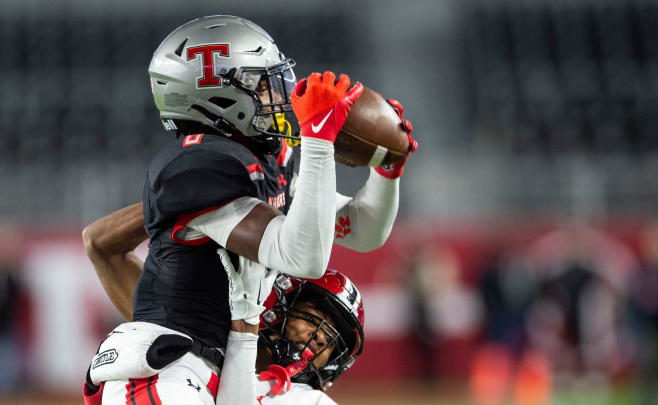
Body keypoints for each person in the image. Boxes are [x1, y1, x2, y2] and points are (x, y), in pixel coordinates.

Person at [87, 14, 415, 405]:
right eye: (262, 84)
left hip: (232, 368)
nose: (279, 94)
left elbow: (363, 231)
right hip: (169, 370)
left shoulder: (271, 158)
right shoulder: (200, 163)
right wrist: (319, 139)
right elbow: (301, 256)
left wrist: (385, 169)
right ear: (218, 95)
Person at [82, 203, 364, 405]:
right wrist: (184, 202)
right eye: (316, 318)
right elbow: (100, 244)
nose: (320, 338)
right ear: (281, 302)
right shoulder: (195, 332)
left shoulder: (308, 400)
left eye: (333, 340)